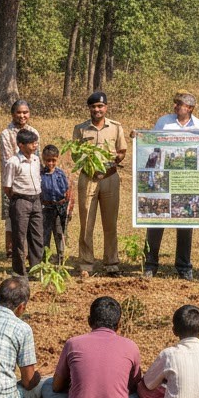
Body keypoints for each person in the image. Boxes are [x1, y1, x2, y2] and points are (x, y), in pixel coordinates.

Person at [41, 296, 143, 398]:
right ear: (119, 324)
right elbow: (134, 387)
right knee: (140, 393)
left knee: (47, 384)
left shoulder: (73, 344)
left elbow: (56, 387)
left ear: (89, 321)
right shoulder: (131, 346)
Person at [140, 92, 199, 280]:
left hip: (186, 180)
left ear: (190, 108)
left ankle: (184, 266)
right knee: (156, 219)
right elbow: (152, 145)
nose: (176, 106)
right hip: (164, 178)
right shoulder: (164, 122)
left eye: (180, 104)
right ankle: (150, 264)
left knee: (185, 221)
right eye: (175, 103)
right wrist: (139, 138)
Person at [71, 92, 128, 277]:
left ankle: (111, 263)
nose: (97, 110)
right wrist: (88, 162)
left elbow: (122, 150)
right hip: (88, 178)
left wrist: (117, 158)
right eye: (93, 106)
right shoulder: (80, 129)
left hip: (110, 178)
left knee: (110, 223)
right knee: (86, 223)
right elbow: (75, 154)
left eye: (100, 106)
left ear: (106, 107)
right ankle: (86, 263)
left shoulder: (116, 127)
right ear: (89, 108)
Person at [0, 100, 38, 260]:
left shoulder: (33, 132)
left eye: (25, 112)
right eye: (19, 112)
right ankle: (11, 250)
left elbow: (36, 157)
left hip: (31, 183)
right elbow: (8, 160)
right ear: (12, 114)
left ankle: (27, 250)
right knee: (12, 217)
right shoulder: (6, 134)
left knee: (30, 218)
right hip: (12, 182)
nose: (22, 115)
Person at [2, 127, 43, 277]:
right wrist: (18, 199)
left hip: (36, 200)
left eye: (36, 143)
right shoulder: (13, 162)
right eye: (32, 143)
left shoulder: (36, 159)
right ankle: (19, 271)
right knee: (19, 237)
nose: (35, 146)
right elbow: (7, 187)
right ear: (21, 145)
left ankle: (36, 269)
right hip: (21, 201)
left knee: (37, 236)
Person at [40, 144, 73, 265]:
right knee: (45, 235)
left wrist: (68, 209)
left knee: (59, 234)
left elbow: (67, 191)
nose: (50, 163)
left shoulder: (60, 174)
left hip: (59, 209)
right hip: (46, 209)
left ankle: (61, 260)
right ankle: (45, 261)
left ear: (57, 159)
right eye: (47, 160)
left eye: (53, 160)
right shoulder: (41, 175)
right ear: (43, 159)